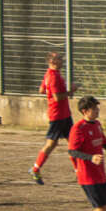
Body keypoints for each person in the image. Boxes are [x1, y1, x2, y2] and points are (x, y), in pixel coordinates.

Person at [31, 51, 77, 183]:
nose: (62, 61)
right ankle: (35, 168)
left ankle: (78, 171)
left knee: (73, 142)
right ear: (52, 61)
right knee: (51, 143)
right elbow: (57, 97)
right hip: (58, 115)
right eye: (59, 59)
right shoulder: (53, 77)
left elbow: (41, 90)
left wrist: (50, 91)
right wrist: (70, 91)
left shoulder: (50, 74)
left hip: (63, 114)